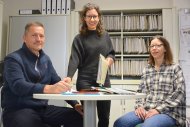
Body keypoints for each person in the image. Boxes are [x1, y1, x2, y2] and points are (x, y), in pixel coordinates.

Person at [1, 21, 83, 127]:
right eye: (34, 35)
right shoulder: (13, 59)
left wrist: (75, 104)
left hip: (41, 109)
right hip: (18, 109)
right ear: (24, 38)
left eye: (41, 36)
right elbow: (18, 85)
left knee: (78, 117)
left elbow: (58, 83)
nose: (38, 39)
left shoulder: (45, 60)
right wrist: (49, 88)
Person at [114, 36, 186, 127]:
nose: (154, 48)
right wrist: (139, 106)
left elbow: (180, 93)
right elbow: (140, 91)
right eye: (152, 46)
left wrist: (158, 110)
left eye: (158, 45)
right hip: (147, 110)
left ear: (165, 49)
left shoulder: (175, 68)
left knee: (147, 126)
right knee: (120, 123)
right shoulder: (147, 69)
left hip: (169, 113)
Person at [65, 3, 115, 127]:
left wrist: (109, 59)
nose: (92, 19)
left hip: (103, 82)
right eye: (89, 16)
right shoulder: (79, 38)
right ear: (84, 18)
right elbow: (74, 59)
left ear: (99, 18)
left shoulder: (105, 36)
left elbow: (111, 53)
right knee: (88, 116)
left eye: (95, 16)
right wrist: (69, 77)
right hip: (85, 81)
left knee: (104, 117)